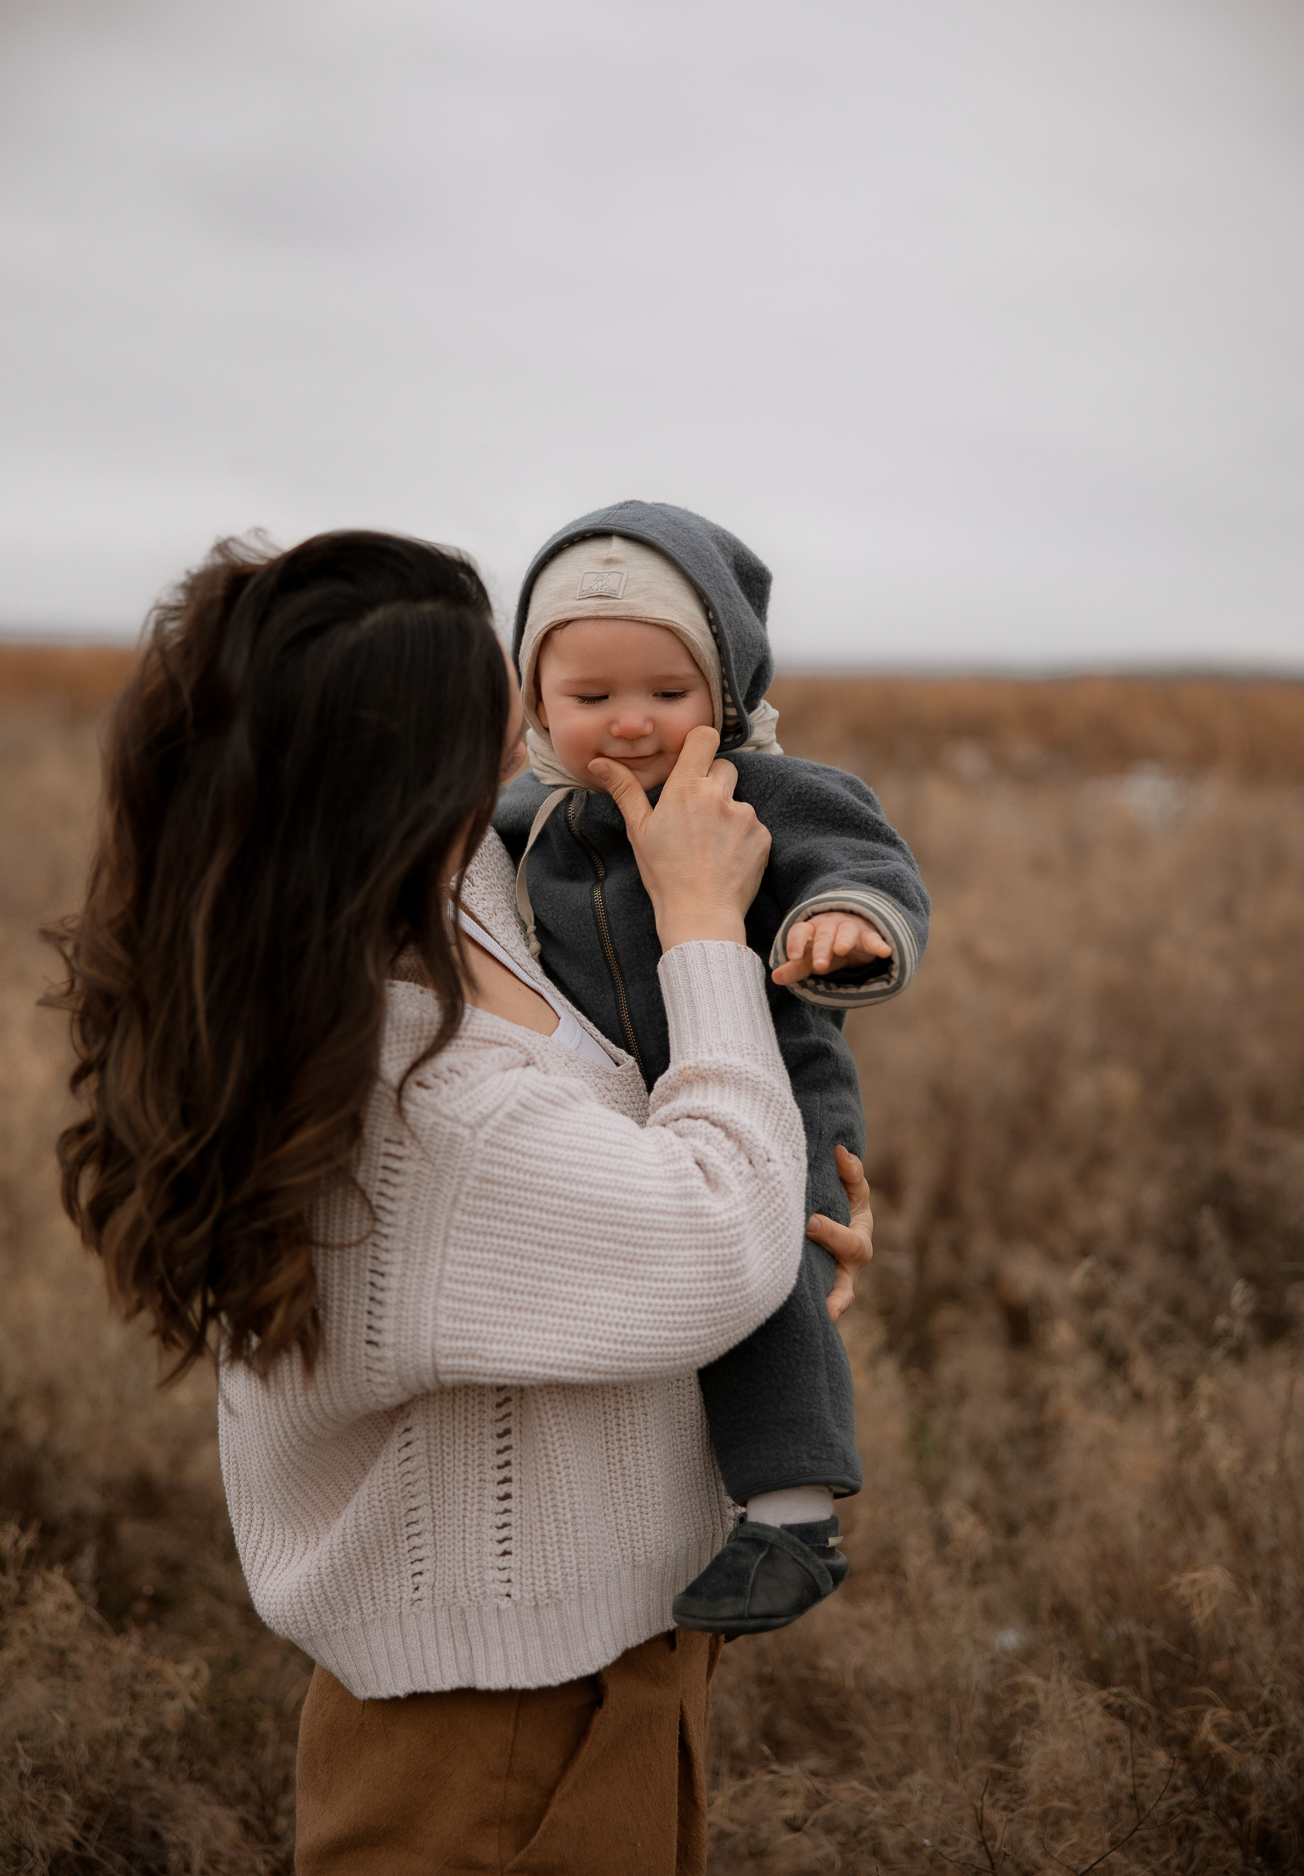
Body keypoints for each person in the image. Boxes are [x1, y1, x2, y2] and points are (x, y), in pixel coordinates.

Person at [47, 528, 873, 1876]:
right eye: (490, 673)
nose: (521, 698)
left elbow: (674, 1163)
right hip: (491, 1738)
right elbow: (707, 1243)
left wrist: (795, 1172)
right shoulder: (420, 1090)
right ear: (413, 760)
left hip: (606, 1667)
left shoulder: (452, 893)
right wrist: (704, 928)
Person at [494, 500, 929, 1639]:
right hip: (620, 1115)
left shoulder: (758, 790)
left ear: (727, 696)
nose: (631, 724)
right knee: (661, 1295)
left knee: (765, 1267)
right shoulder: (519, 821)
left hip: (774, 1083)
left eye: (669, 693)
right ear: (534, 700)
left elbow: (865, 861)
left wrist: (843, 921)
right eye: (591, 698)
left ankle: (791, 1517)